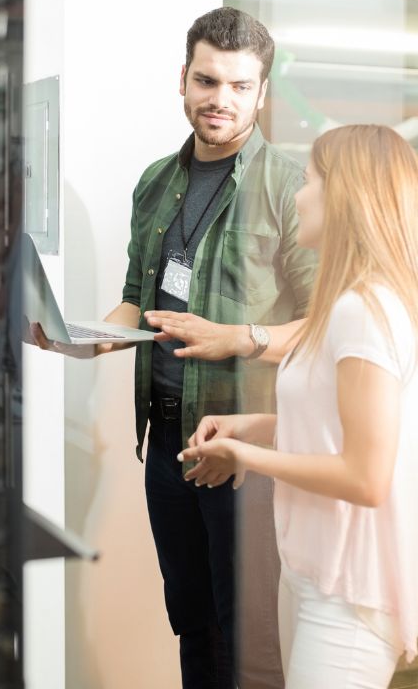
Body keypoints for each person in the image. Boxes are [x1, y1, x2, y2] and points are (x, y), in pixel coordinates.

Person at [30, 7, 317, 688]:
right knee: (192, 620)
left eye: (240, 86)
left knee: (250, 636)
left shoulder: (289, 187)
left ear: (262, 94)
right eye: (208, 80)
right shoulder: (156, 181)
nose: (221, 99)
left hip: (245, 445)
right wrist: (91, 339)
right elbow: (138, 295)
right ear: (183, 79)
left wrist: (240, 338)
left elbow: (323, 321)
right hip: (166, 439)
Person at [179, 124, 418, 689]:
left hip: (347, 591)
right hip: (311, 571)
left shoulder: (366, 310)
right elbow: (339, 426)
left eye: (309, 181)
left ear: (344, 197)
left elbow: (365, 476)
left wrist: (247, 454)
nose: (297, 195)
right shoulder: (345, 305)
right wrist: (256, 428)